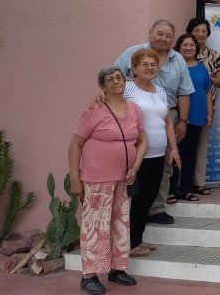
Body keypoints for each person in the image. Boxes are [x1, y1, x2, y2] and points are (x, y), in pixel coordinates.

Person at [69, 67, 146, 294]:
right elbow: (75, 145)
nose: (115, 81)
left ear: (125, 81)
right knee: (95, 226)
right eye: (109, 79)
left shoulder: (134, 109)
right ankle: (89, 275)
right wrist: (75, 178)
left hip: (125, 177)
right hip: (97, 178)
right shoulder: (94, 109)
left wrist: (135, 167)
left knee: (120, 225)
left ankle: (117, 269)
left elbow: (142, 142)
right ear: (103, 86)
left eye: (119, 78)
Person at [115, 19, 193, 225]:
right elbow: (112, 78)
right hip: (133, 118)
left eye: (168, 35)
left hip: (166, 116)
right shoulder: (133, 52)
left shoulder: (177, 60)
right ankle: (129, 210)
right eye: (159, 33)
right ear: (150, 33)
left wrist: (183, 121)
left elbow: (184, 93)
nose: (164, 38)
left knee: (165, 164)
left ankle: (155, 208)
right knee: (132, 162)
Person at [124, 49, 181, 258]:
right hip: (136, 156)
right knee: (135, 201)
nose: (150, 68)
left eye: (153, 64)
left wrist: (174, 149)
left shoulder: (159, 92)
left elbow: (167, 123)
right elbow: (110, 106)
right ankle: (128, 244)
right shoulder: (127, 89)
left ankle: (137, 240)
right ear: (135, 68)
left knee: (148, 199)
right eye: (145, 64)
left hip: (158, 154)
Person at [169, 34, 213, 202]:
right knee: (175, 153)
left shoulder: (202, 67)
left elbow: (207, 92)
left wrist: (209, 113)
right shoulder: (174, 66)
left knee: (190, 154)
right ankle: (171, 190)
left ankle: (185, 190)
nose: (188, 48)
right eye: (184, 45)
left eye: (192, 45)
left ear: (196, 48)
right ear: (179, 47)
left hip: (197, 116)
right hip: (178, 116)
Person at [186, 17, 220, 196]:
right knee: (181, 146)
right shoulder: (182, 53)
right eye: (197, 31)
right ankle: (179, 186)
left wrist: (205, 78)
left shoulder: (214, 55)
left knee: (200, 146)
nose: (201, 34)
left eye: (204, 31)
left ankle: (198, 183)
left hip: (206, 106)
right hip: (183, 105)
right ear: (190, 32)